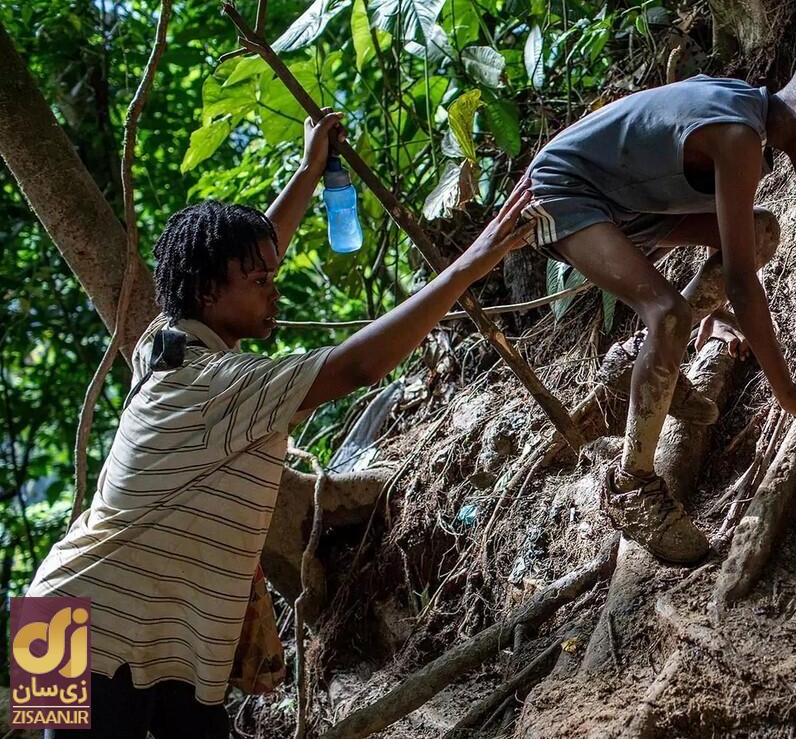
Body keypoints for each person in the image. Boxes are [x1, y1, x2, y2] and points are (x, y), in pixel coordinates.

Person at [27, 111, 531, 738]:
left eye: (273, 276)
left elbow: (247, 252)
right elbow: (356, 367)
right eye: (261, 281)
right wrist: (467, 266)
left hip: (79, 618)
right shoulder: (219, 386)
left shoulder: (167, 344)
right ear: (210, 292)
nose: (274, 292)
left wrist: (308, 170)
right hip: (91, 622)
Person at [523, 43, 796, 564]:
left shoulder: (748, 117)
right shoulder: (739, 136)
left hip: (622, 204)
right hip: (561, 191)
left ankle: (639, 360)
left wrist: (714, 313)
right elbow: (742, 283)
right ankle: (632, 487)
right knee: (668, 314)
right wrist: (788, 393)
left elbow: (731, 240)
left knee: (762, 232)